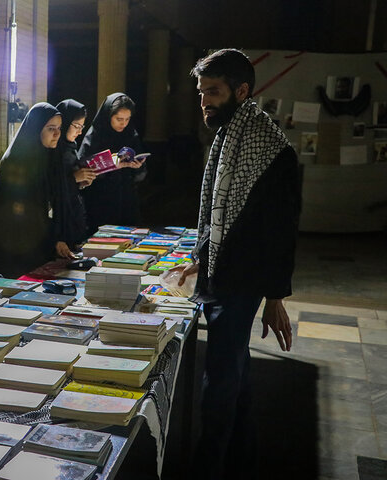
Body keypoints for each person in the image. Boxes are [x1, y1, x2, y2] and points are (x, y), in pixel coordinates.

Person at [174, 49, 301, 479]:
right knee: (238, 379)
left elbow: (281, 231)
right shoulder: (230, 132)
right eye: (201, 92)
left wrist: (275, 297)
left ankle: (207, 467)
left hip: (241, 283)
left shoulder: (269, 148)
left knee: (220, 384)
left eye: (214, 91)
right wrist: (199, 259)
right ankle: (244, 461)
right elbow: (217, 210)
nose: (205, 100)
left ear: (241, 91)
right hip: (220, 275)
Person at [0, 102, 75, 278]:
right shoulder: (18, 161)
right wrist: (53, 239)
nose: (57, 133)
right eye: (50, 128)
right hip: (18, 246)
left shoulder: (48, 156)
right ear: (36, 129)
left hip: (41, 243)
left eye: (59, 128)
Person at [77, 93, 147, 233]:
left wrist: (137, 167)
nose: (123, 123)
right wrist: (111, 164)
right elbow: (82, 168)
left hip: (126, 200)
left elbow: (140, 176)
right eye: (119, 119)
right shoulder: (95, 136)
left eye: (127, 119)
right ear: (108, 115)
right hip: (99, 202)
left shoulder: (131, 134)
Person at [55, 99, 95, 247]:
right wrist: (74, 178)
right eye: (76, 126)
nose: (80, 132)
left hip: (74, 213)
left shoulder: (70, 146)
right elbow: (51, 187)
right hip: (60, 222)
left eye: (82, 126)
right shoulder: (53, 149)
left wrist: (81, 182)